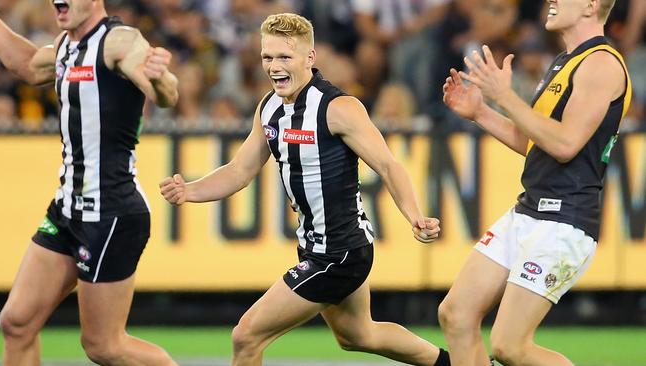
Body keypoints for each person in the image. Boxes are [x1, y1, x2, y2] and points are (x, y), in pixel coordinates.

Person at [160, 12, 450, 366]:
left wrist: (415, 215)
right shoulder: (268, 107)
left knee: (246, 335)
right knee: (359, 335)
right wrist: (190, 190)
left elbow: (389, 164)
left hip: (339, 252)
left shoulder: (338, 108)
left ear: (310, 58)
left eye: (285, 57)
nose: (274, 66)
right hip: (321, 247)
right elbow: (240, 170)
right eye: (268, 57)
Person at [438, 0, 631, 365]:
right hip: (529, 211)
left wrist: (504, 96)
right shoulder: (564, 61)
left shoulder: (602, 64)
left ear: (590, 5)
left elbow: (564, 144)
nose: (551, 1)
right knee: (456, 314)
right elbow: (536, 143)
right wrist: (481, 112)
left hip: (563, 220)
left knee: (509, 346)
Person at [0, 1, 179, 365]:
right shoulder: (65, 46)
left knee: (104, 346)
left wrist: (159, 77)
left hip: (109, 213)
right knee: (16, 321)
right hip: (67, 210)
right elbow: (28, 65)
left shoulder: (118, 41)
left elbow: (166, 94)